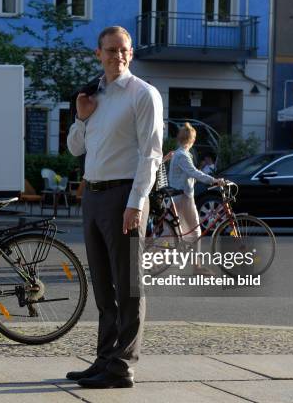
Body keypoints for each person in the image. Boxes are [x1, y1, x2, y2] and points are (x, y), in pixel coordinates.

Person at [66, 26, 163, 389]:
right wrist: (81, 116)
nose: (116, 56)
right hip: (93, 195)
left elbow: (150, 154)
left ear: (131, 53)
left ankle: (123, 366)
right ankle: (105, 358)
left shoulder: (144, 94)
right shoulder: (94, 95)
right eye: (110, 50)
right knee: (104, 286)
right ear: (98, 53)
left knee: (129, 286)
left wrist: (136, 202)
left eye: (123, 50)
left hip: (124, 196)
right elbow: (76, 149)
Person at [167, 123, 224, 275]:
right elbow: (194, 173)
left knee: (170, 231)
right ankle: (196, 267)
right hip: (183, 196)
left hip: (178, 195)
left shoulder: (180, 154)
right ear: (192, 140)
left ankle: (149, 261)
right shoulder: (183, 155)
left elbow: (192, 173)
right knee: (195, 232)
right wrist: (214, 180)